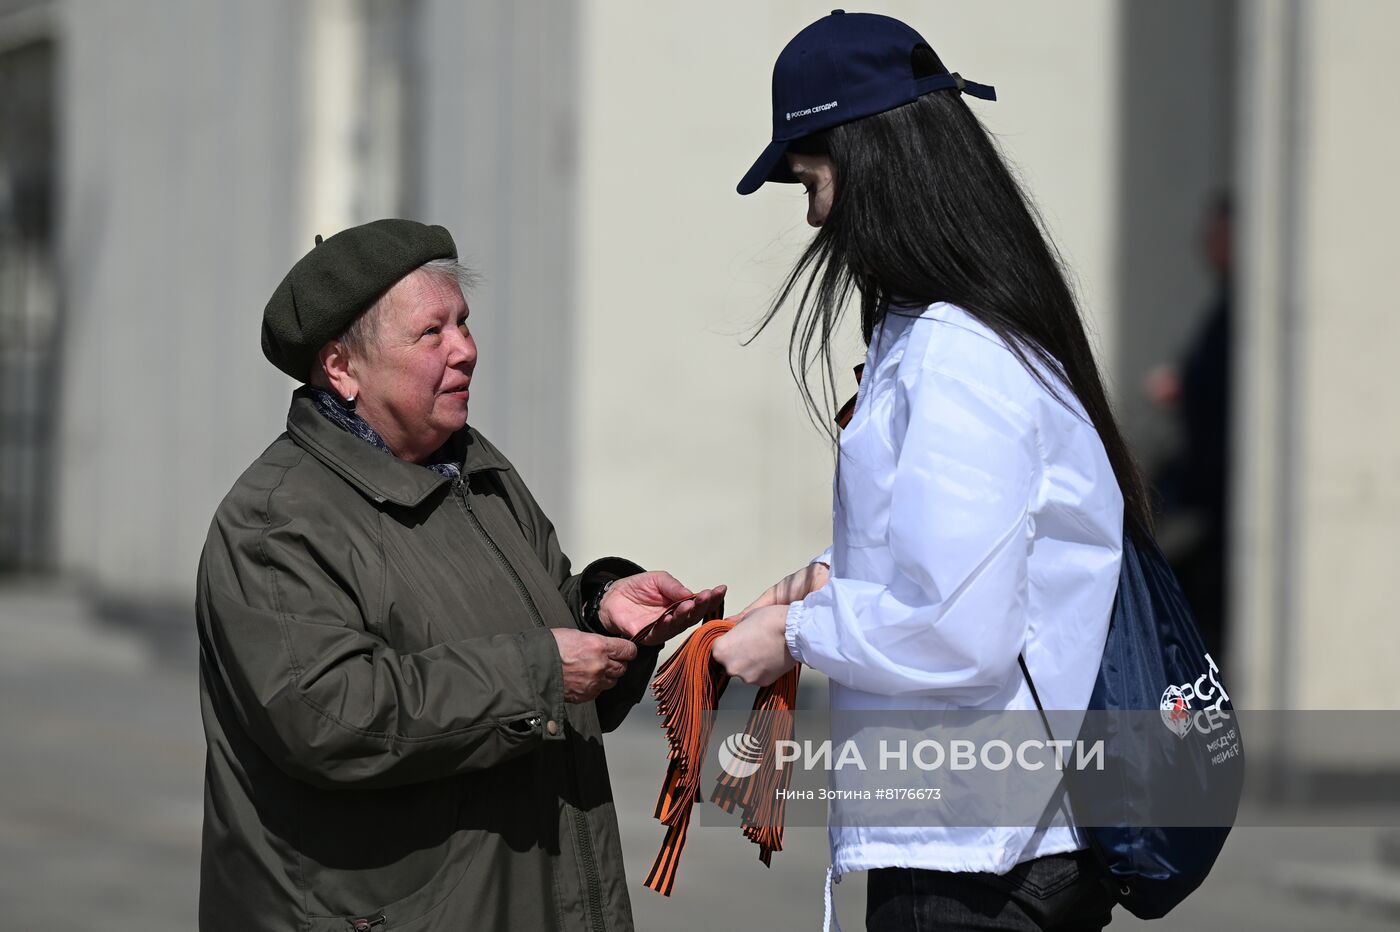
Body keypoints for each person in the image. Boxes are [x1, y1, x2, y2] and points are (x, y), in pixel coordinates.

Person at [710, 12, 1143, 931]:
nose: (815, 214)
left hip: (978, 859)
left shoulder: (959, 354)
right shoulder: (959, 337)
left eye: (812, 181)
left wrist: (795, 634)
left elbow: (959, 631)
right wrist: (833, 581)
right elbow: (971, 574)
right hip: (981, 844)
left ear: (872, 163)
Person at [196, 219, 724, 932]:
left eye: (465, 323)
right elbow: (330, 717)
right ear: (341, 368)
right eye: (431, 334)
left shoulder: (476, 468)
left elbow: (537, 627)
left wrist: (601, 609)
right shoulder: (278, 521)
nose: (466, 350)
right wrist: (539, 672)